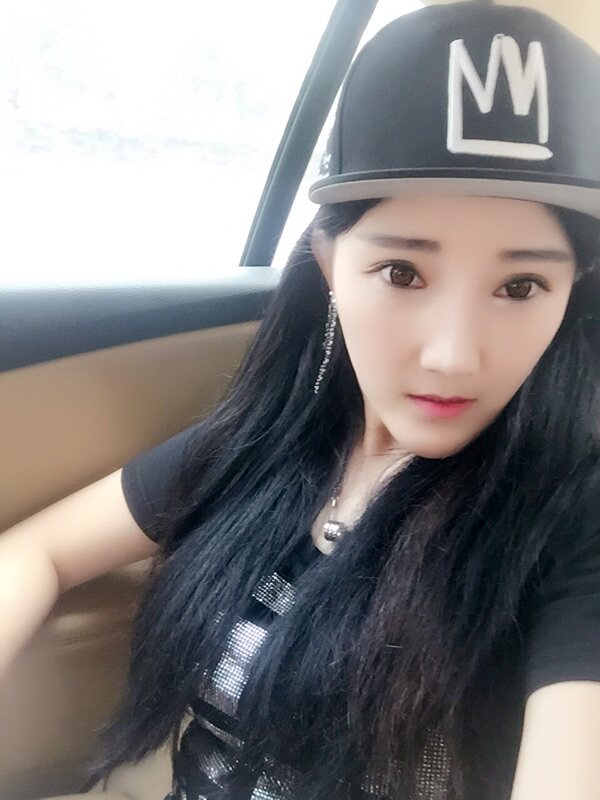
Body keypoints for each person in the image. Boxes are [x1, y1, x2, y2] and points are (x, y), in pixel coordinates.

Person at [2, 2, 600, 799]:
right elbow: (37, 551)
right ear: (328, 262)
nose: (454, 355)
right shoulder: (264, 446)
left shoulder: (572, 519)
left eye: (520, 286)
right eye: (402, 273)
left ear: (571, 294)